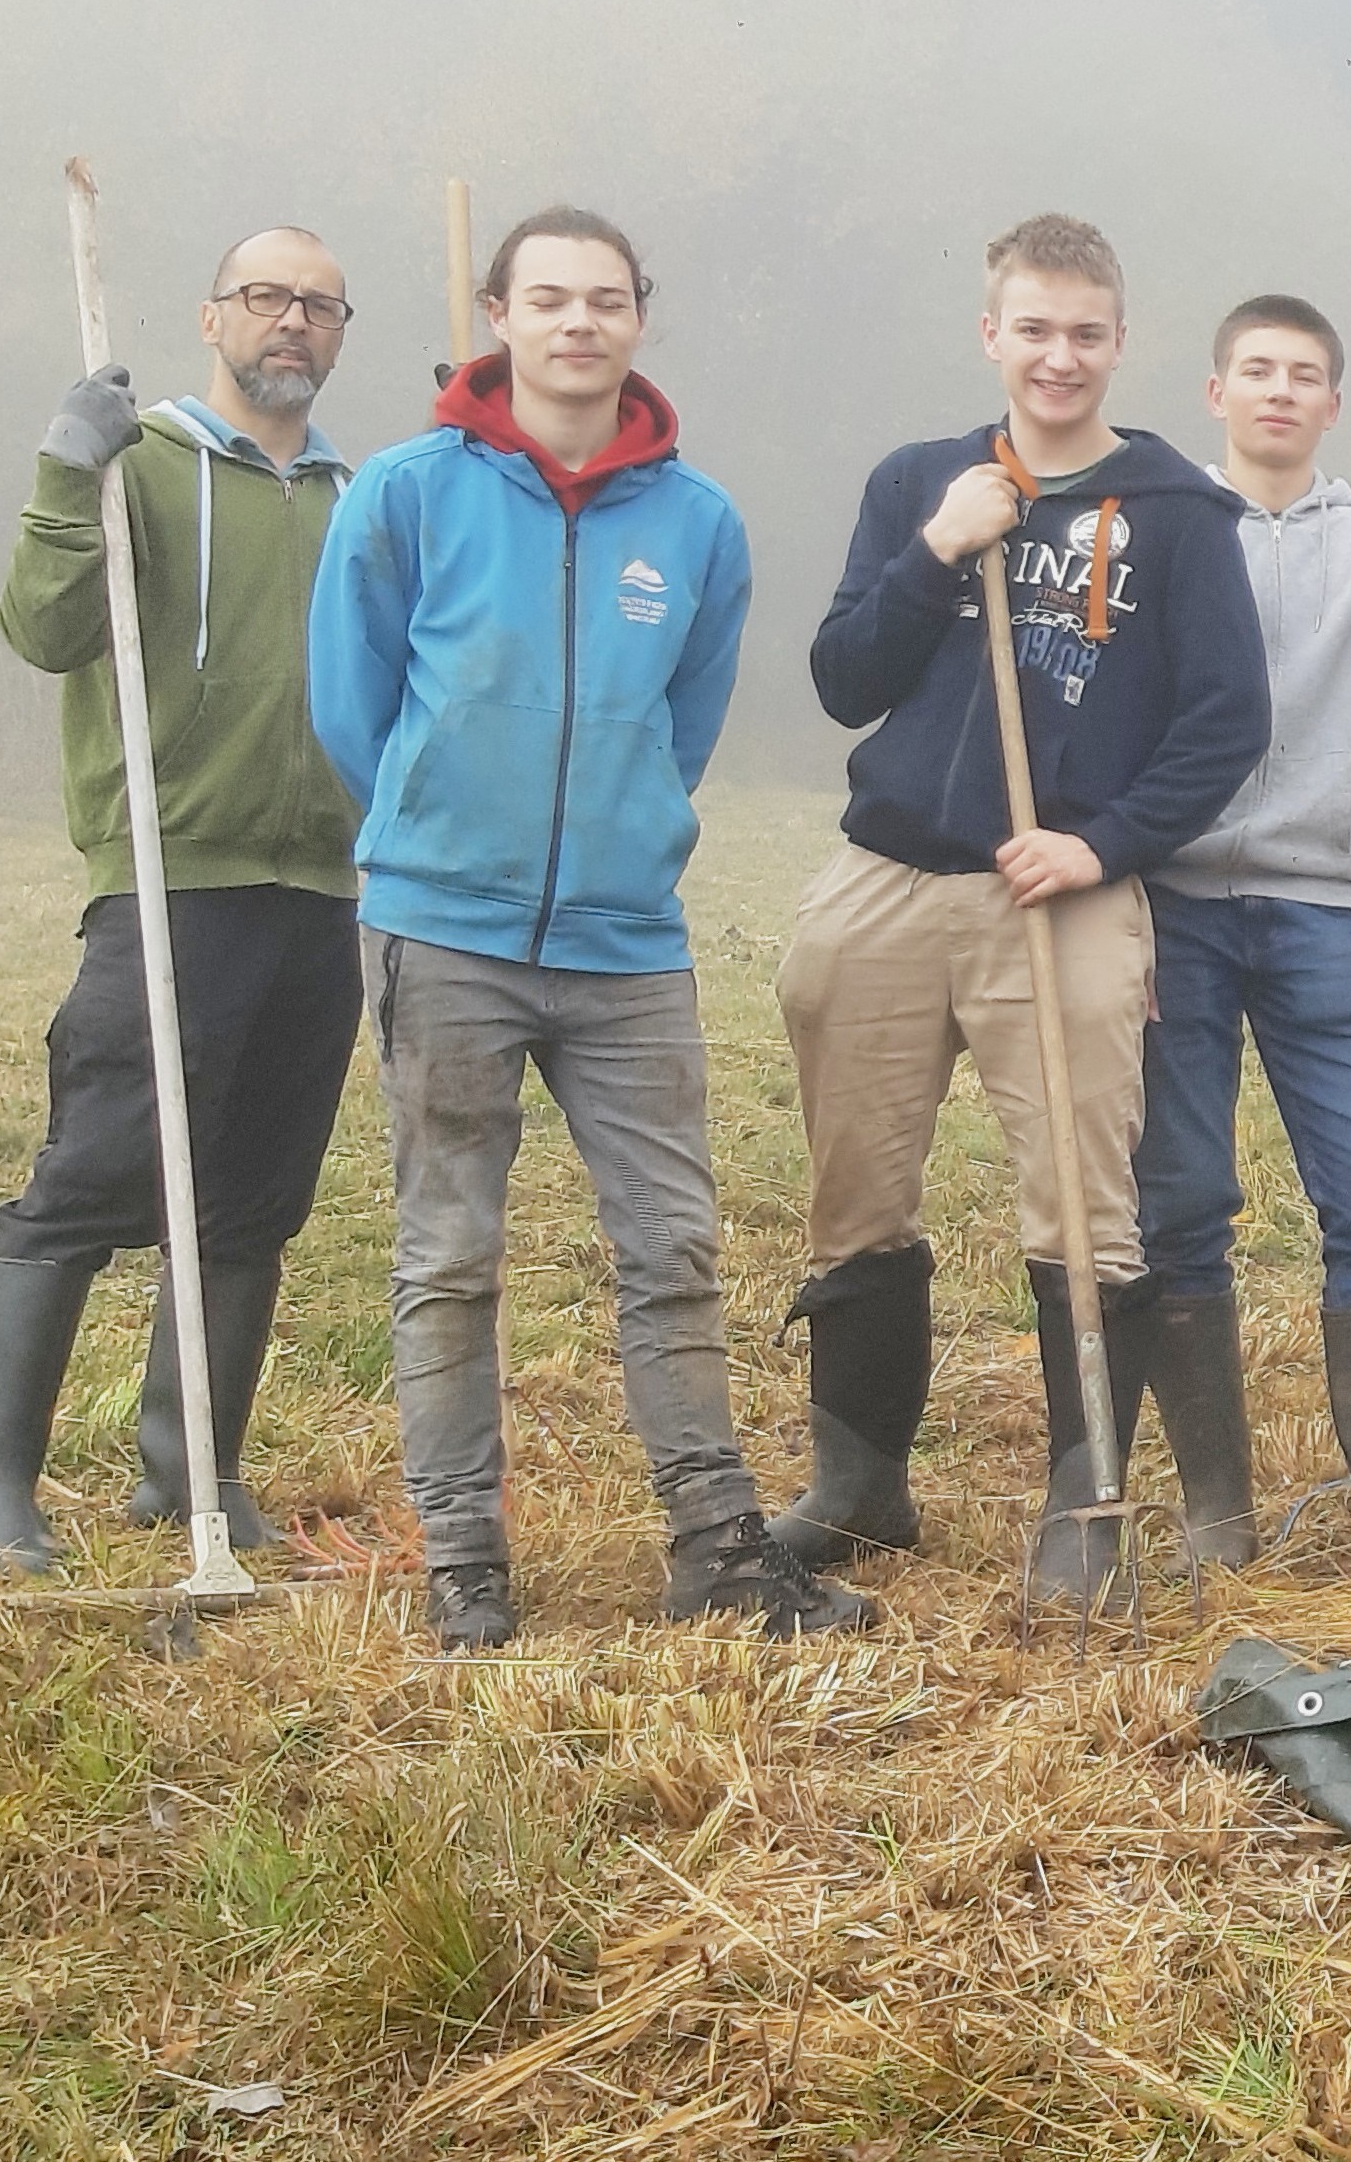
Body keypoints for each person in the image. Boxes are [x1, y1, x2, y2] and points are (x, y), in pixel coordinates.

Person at [304, 206, 866, 1644]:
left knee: (673, 1246)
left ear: (638, 319)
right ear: (499, 313)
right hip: (445, 935)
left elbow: (682, 726)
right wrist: (439, 833)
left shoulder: (700, 522)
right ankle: (463, 1566)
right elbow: (352, 704)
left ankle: (716, 1547)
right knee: (449, 1255)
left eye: (603, 299)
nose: (576, 322)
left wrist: (610, 835)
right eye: (546, 297)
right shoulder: (409, 493)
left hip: (626, 945)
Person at [770, 214, 1270, 1605]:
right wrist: (939, 550)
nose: (1059, 356)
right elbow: (840, 676)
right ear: (992, 333)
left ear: (1121, 344)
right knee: (854, 1188)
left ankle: (1083, 1497)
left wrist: (1102, 843)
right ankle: (859, 1481)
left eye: (1086, 333)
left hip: (1055, 892)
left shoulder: (1176, 514)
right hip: (887, 873)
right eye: (1033, 328)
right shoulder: (917, 480)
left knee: (1081, 1204)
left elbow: (1226, 720)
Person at [0, 227, 368, 1572]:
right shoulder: (140, 467)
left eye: (318, 304)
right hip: (175, 876)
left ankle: (191, 1473)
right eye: (264, 297)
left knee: (253, 1199)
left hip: (327, 889)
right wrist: (67, 471)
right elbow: (43, 629)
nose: (290, 321)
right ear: (211, 317)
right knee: (97, 1176)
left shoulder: (361, 499)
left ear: (339, 332)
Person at [1134, 295, 1351, 1564]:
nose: (1280, 392)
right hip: (1167, 901)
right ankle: (1213, 1513)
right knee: (1176, 1200)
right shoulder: (1165, 526)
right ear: (1215, 391)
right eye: (1256, 371)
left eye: (1305, 376)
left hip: (1312, 910)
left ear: (1334, 405)